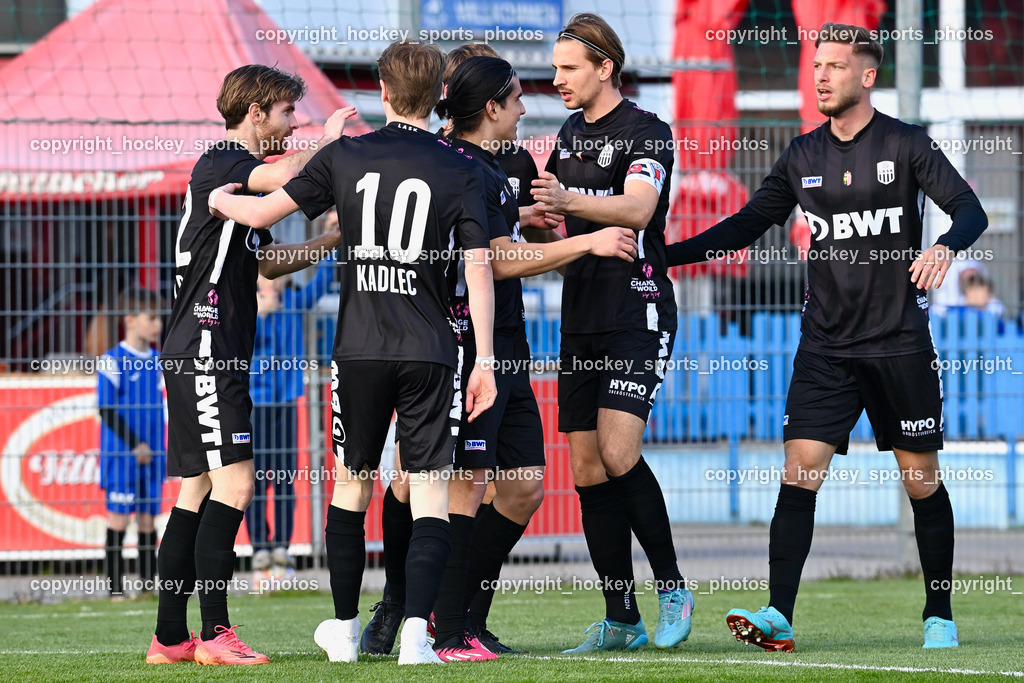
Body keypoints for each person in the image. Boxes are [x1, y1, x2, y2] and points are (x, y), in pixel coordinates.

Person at [665, 23, 988, 651]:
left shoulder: (906, 144)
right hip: (825, 348)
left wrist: (946, 246)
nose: (820, 76)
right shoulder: (802, 154)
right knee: (799, 473)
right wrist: (664, 256)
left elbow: (971, 208)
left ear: (866, 76)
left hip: (898, 343)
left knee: (920, 478)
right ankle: (778, 613)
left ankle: (939, 615)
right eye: (818, 65)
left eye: (836, 66)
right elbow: (746, 225)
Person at [209, 41, 499, 666]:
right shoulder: (462, 168)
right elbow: (478, 270)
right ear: (439, 97)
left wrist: (213, 198)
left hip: (360, 351)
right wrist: (486, 361)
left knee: (351, 487)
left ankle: (343, 630)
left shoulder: (344, 155)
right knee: (429, 492)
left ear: (384, 94)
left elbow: (262, 212)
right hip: (432, 351)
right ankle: (418, 639)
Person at [359, 54, 639, 661]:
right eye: (515, 97)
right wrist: (587, 241)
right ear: (488, 105)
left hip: (507, 344)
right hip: (456, 345)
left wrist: (540, 220)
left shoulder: (512, 161)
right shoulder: (444, 161)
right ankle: (412, 610)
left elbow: (515, 242)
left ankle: (458, 616)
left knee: (522, 489)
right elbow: (488, 259)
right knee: (429, 482)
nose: (525, 106)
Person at [146, 64, 355, 666]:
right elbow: (290, 170)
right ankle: (215, 634)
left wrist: (329, 244)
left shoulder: (238, 184)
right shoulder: (223, 162)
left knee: (198, 489)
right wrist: (330, 141)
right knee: (236, 484)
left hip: (205, 350)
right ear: (257, 110)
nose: (293, 124)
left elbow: (266, 263)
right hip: (206, 350)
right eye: (288, 112)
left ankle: (169, 638)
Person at [529, 12, 693, 653]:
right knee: (589, 468)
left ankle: (673, 586)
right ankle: (621, 616)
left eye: (569, 68)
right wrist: (543, 221)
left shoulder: (647, 132)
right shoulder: (569, 131)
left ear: (606, 68)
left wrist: (567, 203)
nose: (557, 78)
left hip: (637, 311)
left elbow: (637, 210)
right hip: (581, 316)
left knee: (621, 453)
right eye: (555, 67)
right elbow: (562, 222)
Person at [247, 211, 339, 580]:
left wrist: (332, 240)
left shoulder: (295, 305)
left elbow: (322, 281)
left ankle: (282, 548)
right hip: (254, 405)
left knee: (283, 476)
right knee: (254, 480)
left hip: (286, 401)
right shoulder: (247, 312)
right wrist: (260, 315)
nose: (273, 285)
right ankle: (259, 548)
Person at [97, 287, 165, 600]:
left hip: (153, 455)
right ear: (130, 320)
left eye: (159, 318)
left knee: (149, 520)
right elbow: (106, 410)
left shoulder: (157, 360)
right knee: (119, 517)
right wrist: (135, 444)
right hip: (123, 455)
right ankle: (114, 587)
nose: (157, 324)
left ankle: (148, 585)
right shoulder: (111, 360)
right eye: (150, 318)